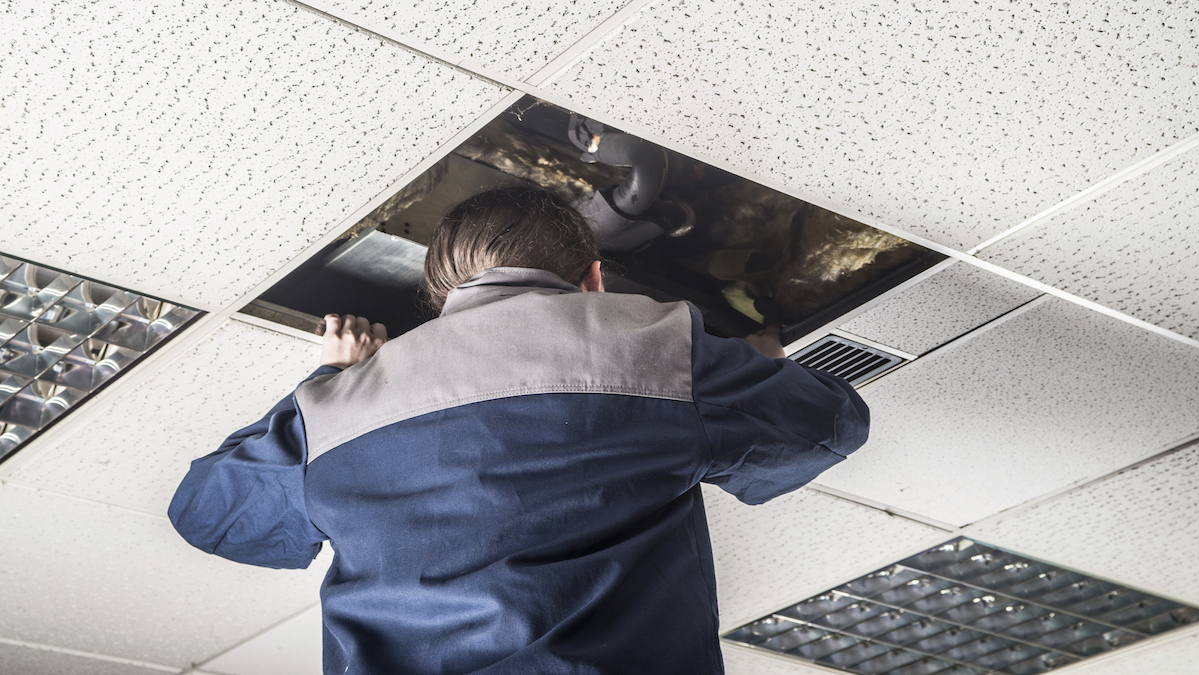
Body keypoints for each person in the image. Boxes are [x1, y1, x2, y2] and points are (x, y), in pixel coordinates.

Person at [169, 186, 869, 674]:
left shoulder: (337, 409)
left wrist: (333, 382)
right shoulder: (656, 343)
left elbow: (206, 513)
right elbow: (831, 423)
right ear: (593, 279)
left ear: (440, 300)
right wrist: (756, 363)